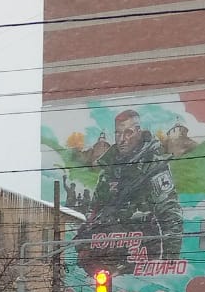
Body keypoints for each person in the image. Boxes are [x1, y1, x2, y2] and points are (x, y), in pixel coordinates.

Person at [77, 109, 186, 273]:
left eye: (128, 132)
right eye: (118, 133)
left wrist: (169, 263)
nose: (122, 139)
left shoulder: (154, 168)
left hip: (144, 256)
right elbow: (94, 212)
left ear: (138, 132)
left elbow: (170, 216)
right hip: (109, 256)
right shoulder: (108, 171)